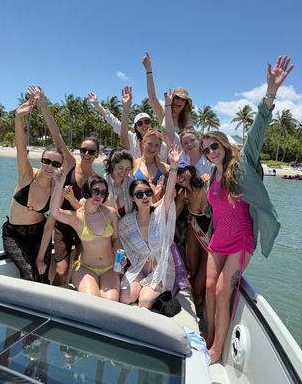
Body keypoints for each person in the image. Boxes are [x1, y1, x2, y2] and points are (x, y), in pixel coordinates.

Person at [202, 55, 294, 364]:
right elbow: (215, 211)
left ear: (224, 146)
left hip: (241, 241)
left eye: (215, 146)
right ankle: (209, 339)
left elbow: (257, 129)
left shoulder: (240, 166)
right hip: (218, 241)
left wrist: (270, 94)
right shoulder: (212, 176)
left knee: (221, 292)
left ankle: (216, 350)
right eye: (206, 150)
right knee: (207, 287)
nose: (211, 152)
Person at [29, 85, 99, 286]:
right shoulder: (70, 163)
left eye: (91, 151)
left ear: (96, 154)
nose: (86, 154)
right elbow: (56, 135)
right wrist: (43, 103)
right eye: (83, 149)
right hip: (62, 224)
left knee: (78, 270)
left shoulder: (96, 178)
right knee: (61, 270)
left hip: (83, 227)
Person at [2, 87, 62, 283]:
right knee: (29, 274)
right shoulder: (27, 175)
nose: (50, 167)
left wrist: (40, 258)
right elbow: (21, 148)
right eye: (47, 161)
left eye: (56, 164)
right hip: (14, 234)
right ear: (41, 160)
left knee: (43, 274)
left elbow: (50, 224)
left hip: (39, 234)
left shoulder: (56, 188)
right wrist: (18, 119)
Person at [119, 144, 182, 308]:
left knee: (144, 301)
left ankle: (159, 291)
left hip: (162, 269)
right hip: (139, 267)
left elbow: (169, 194)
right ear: (133, 198)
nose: (145, 197)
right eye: (139, 195)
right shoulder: (126, 223)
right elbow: (119, 242)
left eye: (147, 193)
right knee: (125, 298)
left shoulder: (160, 215)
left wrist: (174, 166)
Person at [50, 173, 121, 301]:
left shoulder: (110, 213)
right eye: (95, 191)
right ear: (88, 190)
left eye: (103, 193)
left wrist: (120, 255)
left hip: (109, 268)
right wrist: (59, 184)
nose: (99, 195)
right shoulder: (77, 217)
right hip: (86, 268)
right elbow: (54, 212)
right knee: (92, 300)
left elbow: (115, 238)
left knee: (111, 302)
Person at [88, 87, 168, 161]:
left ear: (151, 123)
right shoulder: (130, 137)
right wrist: (96, 103)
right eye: (140, 123)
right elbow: (112, 120)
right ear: (136, 127)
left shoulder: (161, 144)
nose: (144, 125)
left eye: (146, 121)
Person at [175, 162, 210, 306]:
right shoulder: (183, 194)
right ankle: (194, 305)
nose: (180, 176)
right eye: (176, 175)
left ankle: (198, 300)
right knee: (191, 271)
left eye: (182, 171)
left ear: (190, 170)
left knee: (202, 274)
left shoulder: (207, 184)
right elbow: (172, 214)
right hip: (195, 231)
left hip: (213, 235)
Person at [142, 52, 194, 131]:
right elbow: (152, 96)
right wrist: (149, 70)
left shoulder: (187, 119)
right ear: (172, 99)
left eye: (183, 99)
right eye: (177, 97)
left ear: (186, 104)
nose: (180, 101)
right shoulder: (163, 113)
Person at [132, 128, 169, 202]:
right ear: (143, 143)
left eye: (157, 145)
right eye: (150, 144)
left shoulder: (165, 168)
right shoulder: (132, 164)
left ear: (160, 147)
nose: (153, 148)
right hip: (137, 211)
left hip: (158, 210)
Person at [103, 146, 134, 217]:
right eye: (120, 168)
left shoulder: (132, 183)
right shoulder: (101, 183)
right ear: (112, 165)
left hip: (128, 226)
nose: (124, 172)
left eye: (128, 168)